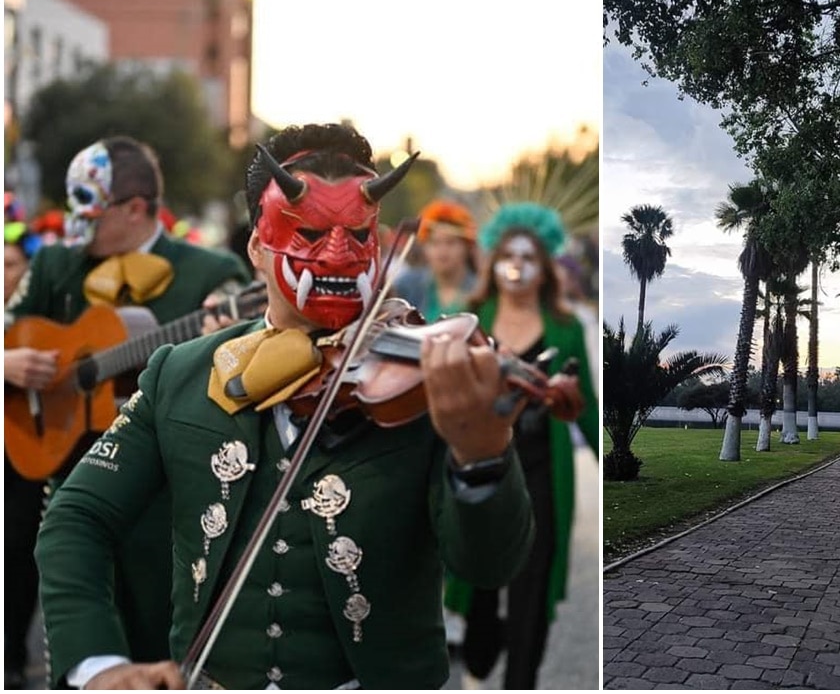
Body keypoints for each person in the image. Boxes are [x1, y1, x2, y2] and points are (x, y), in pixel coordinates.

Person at [35, 123, 538, 689]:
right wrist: (99, 665)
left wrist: (482, 458)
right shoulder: (179, 373)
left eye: (359, 234)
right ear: (256, 246)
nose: (339, 255)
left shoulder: (423, 382)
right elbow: (76, 517)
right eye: (310, 233)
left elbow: (489, 566)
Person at [5, 136, 251, 676]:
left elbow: (245, 368)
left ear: (136, 208)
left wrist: (227, 341)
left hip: (166, 496)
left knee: (160, 642)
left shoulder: (211, 272)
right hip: (68, 477)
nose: (79, 224)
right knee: (77, 632)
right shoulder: (56, 266)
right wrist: (7, 361)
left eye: (90, 210)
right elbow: (8, 324)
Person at [448, 201, 599, 689]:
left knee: (531, 591)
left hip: (542, 472)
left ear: (544, 267)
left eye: (528, 257)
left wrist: (614, 462)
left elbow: (586, 404)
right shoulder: (471, 319)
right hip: (484, 470)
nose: (517, 265)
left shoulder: (566, 328)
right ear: (494, 263)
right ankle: (480, 640)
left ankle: (521, 681)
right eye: (509, 256)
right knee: (480, 584)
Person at [3, 219, 44, 688]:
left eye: (10, 264)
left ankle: (12, 657)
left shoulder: (38, 314)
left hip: (21, 451)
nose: (2, 274)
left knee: (17, 552)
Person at [393, 198, 478, 320]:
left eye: (451, 242)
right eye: (434, 243)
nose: (442, 251)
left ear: (467, 246)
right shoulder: (407, 285)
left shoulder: (480, 290)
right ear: (424, 247)